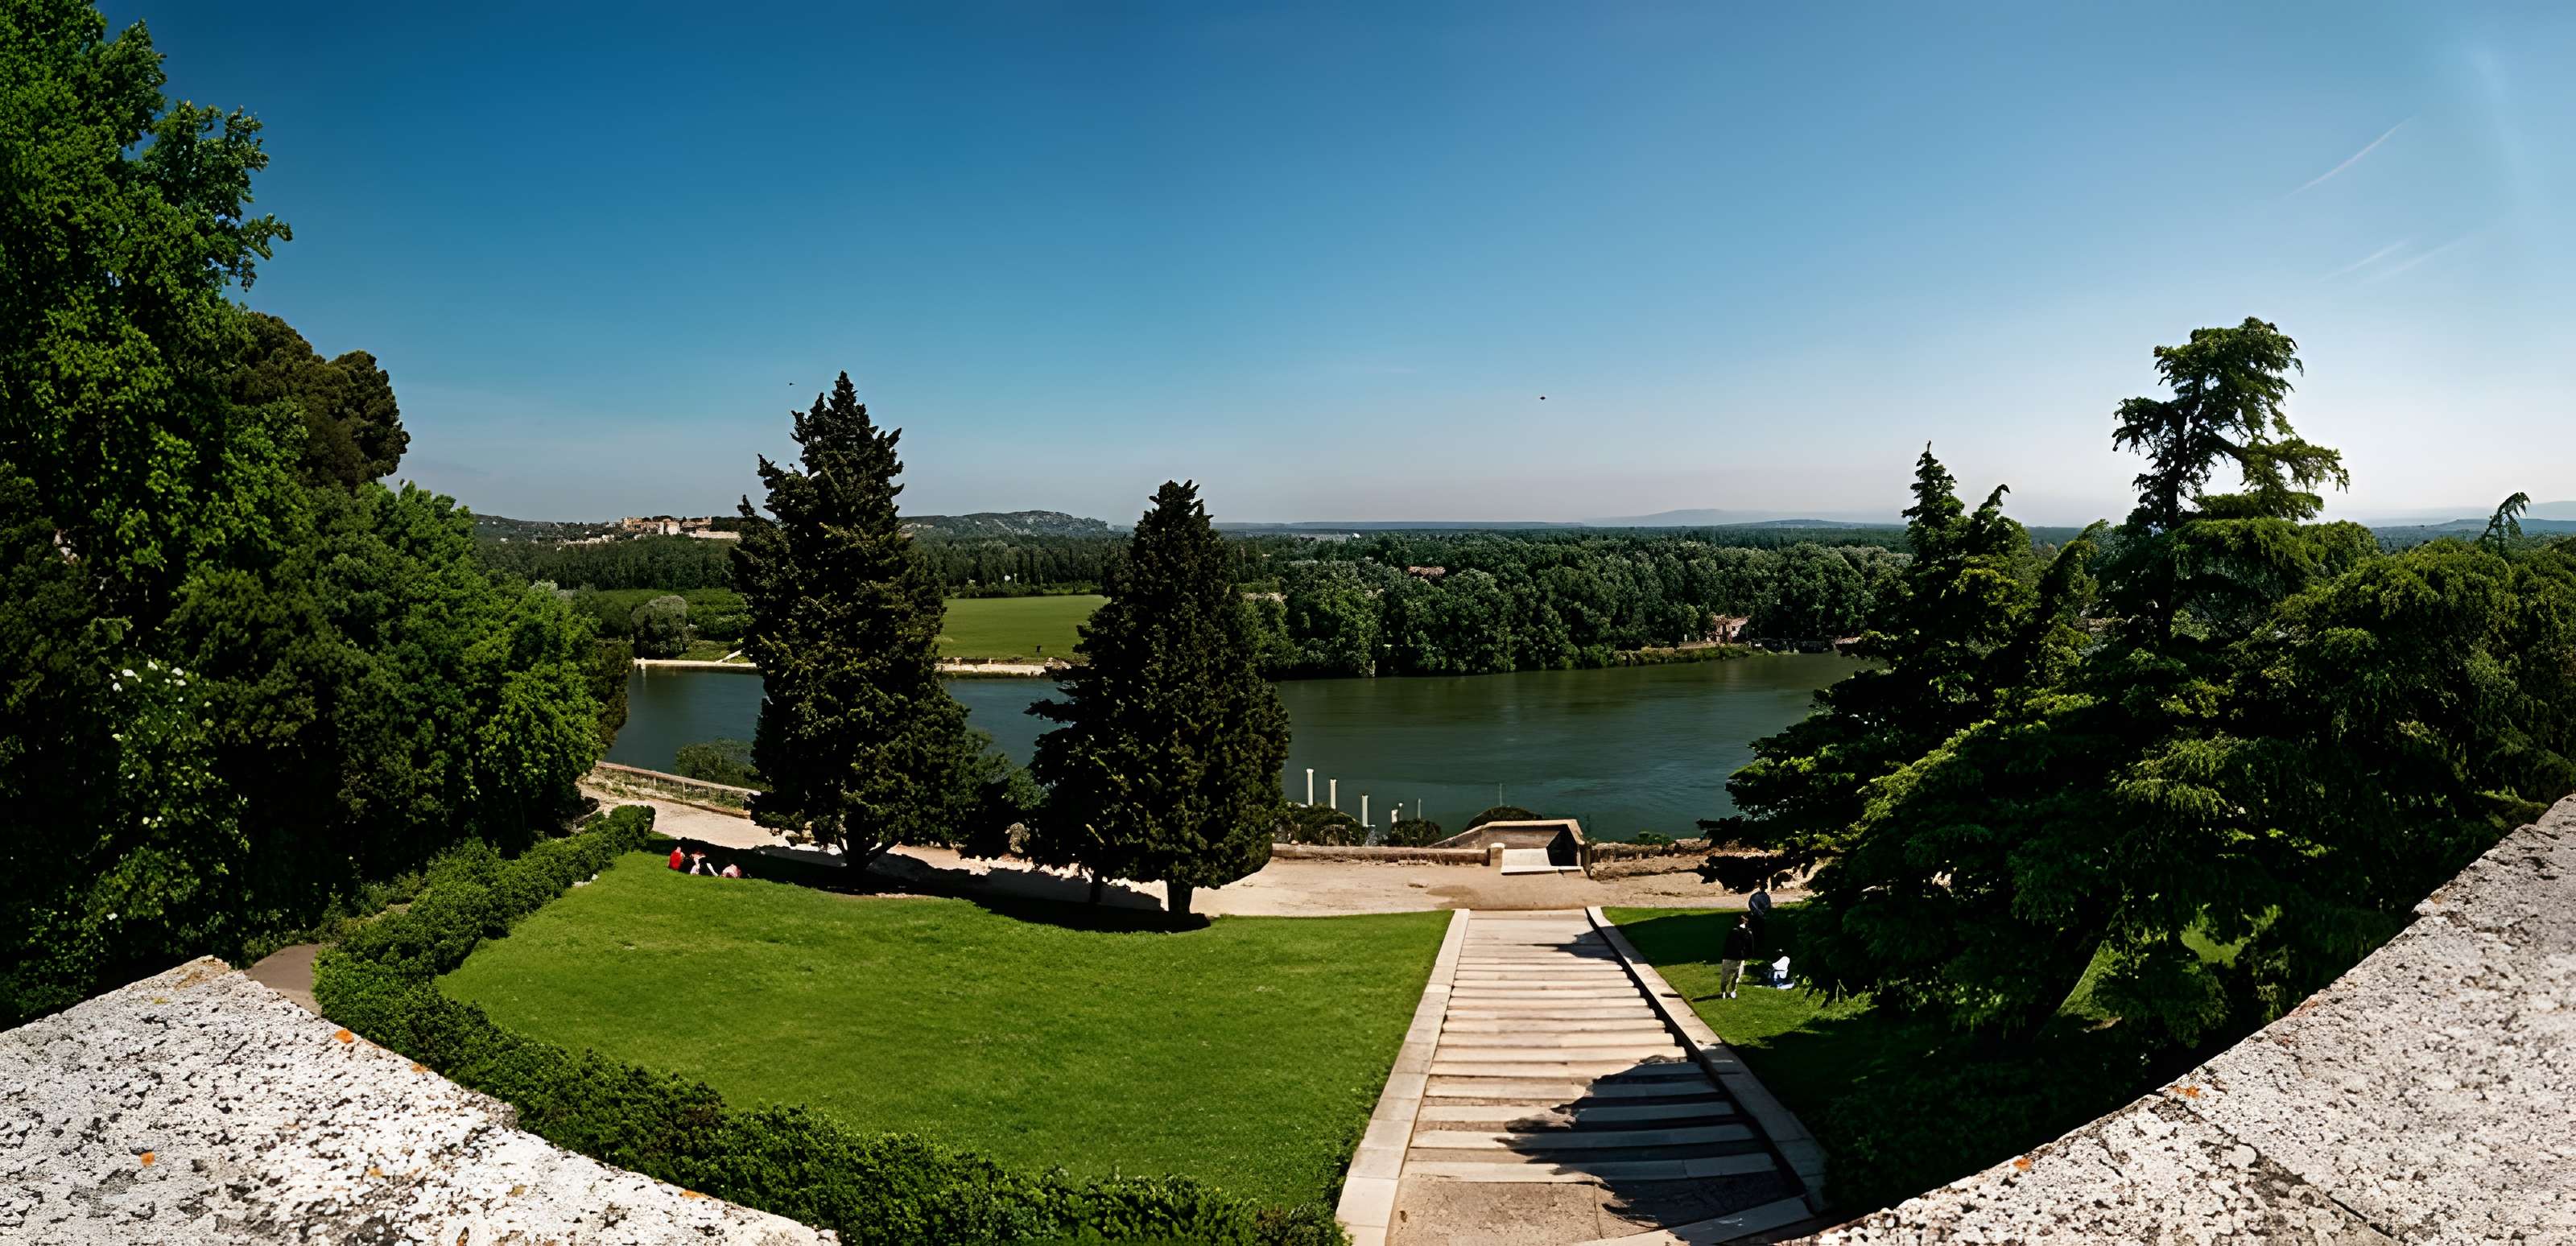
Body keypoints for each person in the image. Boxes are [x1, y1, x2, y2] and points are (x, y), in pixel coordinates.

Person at [1719, 916, 1754, 999]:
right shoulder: (1736, 932)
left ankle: (1731, 991)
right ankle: (1726, 991)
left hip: (1736, 957)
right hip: (1732, 957)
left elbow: (1749, 946)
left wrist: (1748, 955)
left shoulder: (1745, 932)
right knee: (1729, 976)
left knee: (1733, 976)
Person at [1746, 882, 1773, 952]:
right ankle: (1761, 948)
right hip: (1762, 917)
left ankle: (1755, 948)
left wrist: (1758, 913)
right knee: (1761, 933)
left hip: (1756, 917)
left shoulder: (1754, 897)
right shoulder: (1766, 896)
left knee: (1755, 934)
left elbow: (1753, 907)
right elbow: (1768, 907)